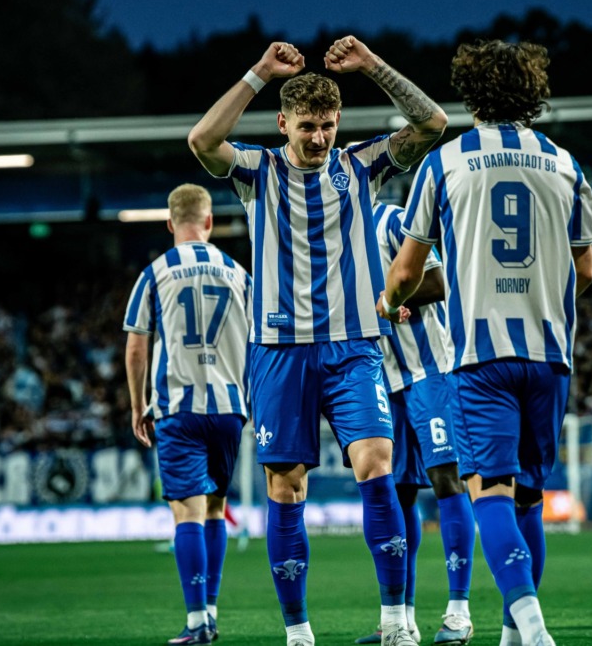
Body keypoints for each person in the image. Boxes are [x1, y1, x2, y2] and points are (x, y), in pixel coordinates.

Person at [187, 37, 448, 646]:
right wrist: (258, 72)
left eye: (328, 125)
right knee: (287, 488)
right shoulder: (257, 170)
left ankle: (395, 624)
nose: (319, 138)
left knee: (376, 467)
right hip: (279, 352)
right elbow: (201, 141)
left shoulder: (362, 164)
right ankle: (298, 632)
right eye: (307, 126)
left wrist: (371, 65)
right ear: (283, 124)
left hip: (353, 346)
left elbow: (432, 123)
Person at [377, 39, 592, 646]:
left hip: (479, 357)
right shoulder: (566, 165)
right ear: (533, 94)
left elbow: (406, 272)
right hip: (549, 355)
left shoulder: (444, 163)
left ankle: (534, 628)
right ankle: (511, 635)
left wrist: (389, 304)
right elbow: (584, 270)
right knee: (530, 498)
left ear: (471, 93)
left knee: (491, 494)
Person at [124, 183, 252, 645]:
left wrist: (137, 404)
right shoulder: (238, 273)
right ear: (210, 222)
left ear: (169, 223)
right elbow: (259, 342)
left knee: (186, 513)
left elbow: (136, 347)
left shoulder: (155, 273)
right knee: (216, 507)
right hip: (229, 409)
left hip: (178, 408)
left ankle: (197, 621)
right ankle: (210, 611)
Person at [355, 202, 476, 645]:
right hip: (384, 377)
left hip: (431, 370)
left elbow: (439, 281)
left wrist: (390, 298)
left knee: (446, 478)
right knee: (397, 490)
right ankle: (400, 620)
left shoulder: (392, 219)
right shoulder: (333, 234)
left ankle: (459, 613)